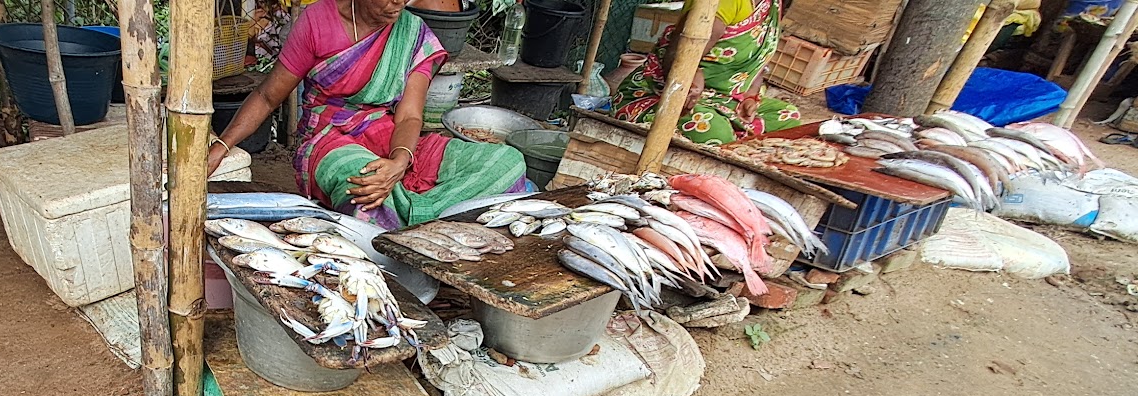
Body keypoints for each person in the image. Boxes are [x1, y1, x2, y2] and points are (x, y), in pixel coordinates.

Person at [206, 0, 533, 229]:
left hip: (388, 136)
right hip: (326, 141)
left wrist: (398, 163)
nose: (398, 4)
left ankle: (415, 217)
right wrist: (222, 145)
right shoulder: (318, 22)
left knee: (508, 163)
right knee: (364, 187)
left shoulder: (413, 34)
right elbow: (266, 96)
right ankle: (429, 221)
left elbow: (408, 118)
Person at [610, 0, 802, 145]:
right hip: (664, 95)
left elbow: (759, 60)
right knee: (715, 132)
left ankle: (736, 142)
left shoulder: (773, 5)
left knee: (788, 116)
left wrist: (751, 97)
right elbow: (679, 52)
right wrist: (691, 75)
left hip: (725, 100)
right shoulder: (723, 3)